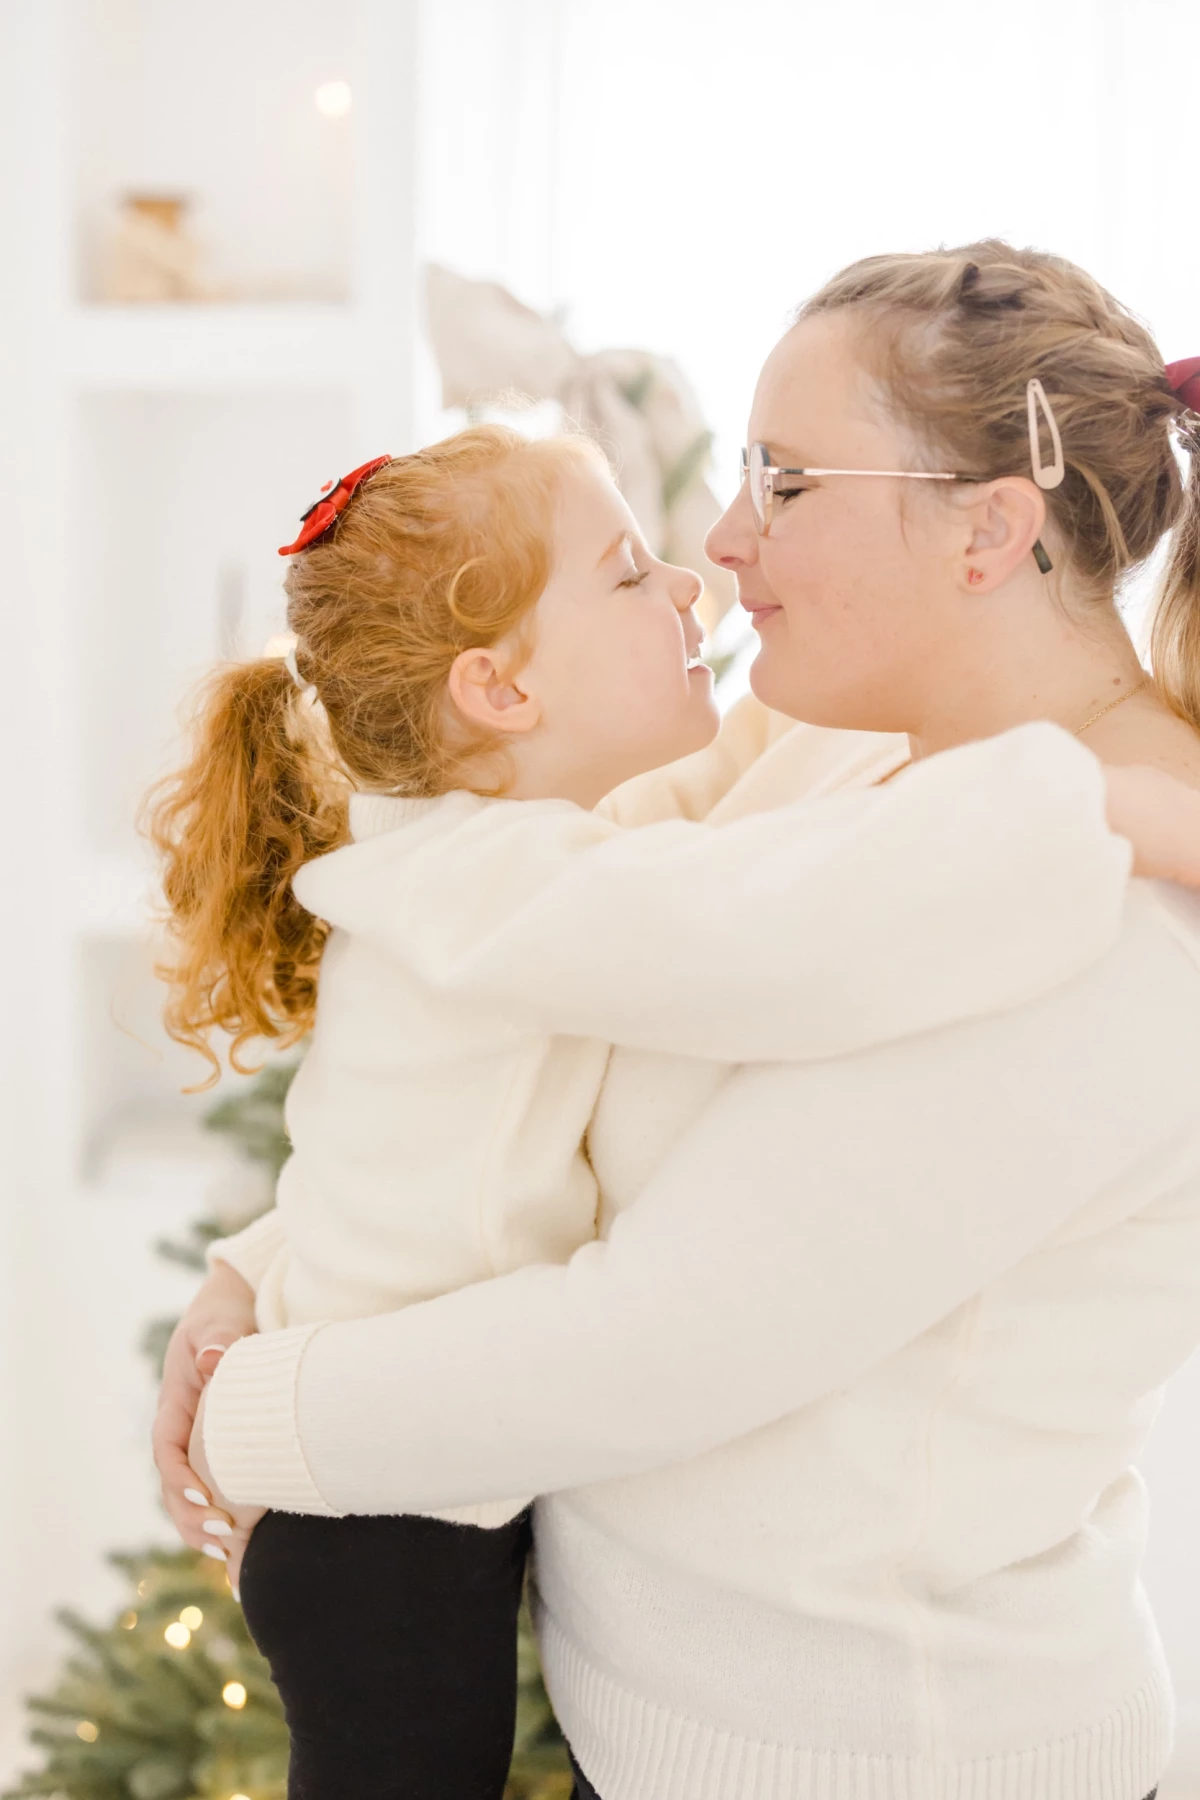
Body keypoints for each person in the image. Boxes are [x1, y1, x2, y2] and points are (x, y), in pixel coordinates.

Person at [157, 242, 1200, 1800]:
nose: (720, 541)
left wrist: (236, 1422)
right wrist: (268, 1267)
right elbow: (523, 993)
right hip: (651, 1733)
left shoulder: (1109, 916)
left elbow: (654, 1347)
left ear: (990, 525)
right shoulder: (844, 757)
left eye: (785, 483)